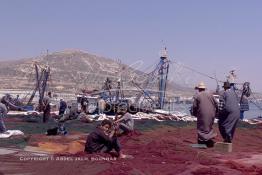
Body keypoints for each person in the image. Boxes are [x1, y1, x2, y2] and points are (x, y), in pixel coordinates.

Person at [192, 82, 217, 147]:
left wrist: (194, 114)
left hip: (202, 113)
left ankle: (202, 141)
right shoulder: (210, 94)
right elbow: (216, 104)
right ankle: (209, 140)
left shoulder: (197, 95)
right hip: (212, 113)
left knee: (201, 127)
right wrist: (216, 112)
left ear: (199, 89)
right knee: (209, 126)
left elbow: (194, 106)